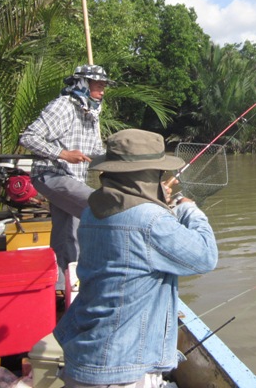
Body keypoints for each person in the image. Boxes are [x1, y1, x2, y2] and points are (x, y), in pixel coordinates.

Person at [54, 129, 218, 388]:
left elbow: (131, 227)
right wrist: (188, 208)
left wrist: (155, 200)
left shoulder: (91, 212)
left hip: (84, 354)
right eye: (157, 173)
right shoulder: (151, 221)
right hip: (118, 369)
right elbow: (206, 256)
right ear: (147, 175)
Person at [19, 64, 114, 289]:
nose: (103, 91)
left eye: (104, 87)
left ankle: (61, 286)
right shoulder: (63, 107)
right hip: (51, 175)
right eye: (98, 85)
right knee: (101, 206)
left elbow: (95, 153)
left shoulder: (91, 115)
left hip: (73, 179)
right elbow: (29, 137)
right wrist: (63, 154)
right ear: (83, 84)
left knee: (66, 234)